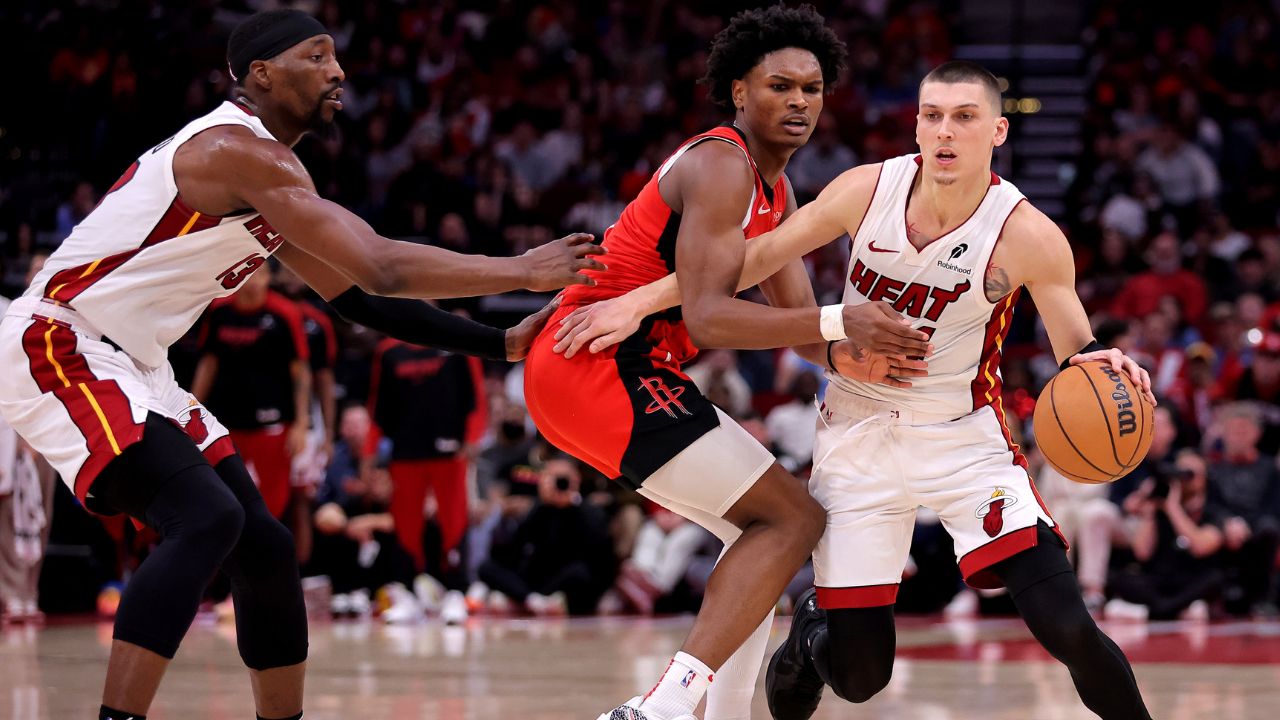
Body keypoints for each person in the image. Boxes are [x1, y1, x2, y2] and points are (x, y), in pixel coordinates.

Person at [0, 9, 602, 720]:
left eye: (336, 56)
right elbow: (379, 265)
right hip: (61, 341)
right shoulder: (237, 151)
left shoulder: (268, 176)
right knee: (204, 519)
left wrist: (496, 344)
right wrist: (522, 269)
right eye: (317, 56)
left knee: (266, 546)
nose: (339, 71)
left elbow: (361, 302)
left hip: (136, 366)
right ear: (261, 74)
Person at [556, 61, 1157, 720]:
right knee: (861, 678)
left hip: (962, 440)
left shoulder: (1028, 235)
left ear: (998, 131)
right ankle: (808, 636)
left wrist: (1108, 362)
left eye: (964, 117)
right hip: (856, 435)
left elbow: (1077, 344)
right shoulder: (866, 189)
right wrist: (637, 304)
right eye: (932, 116)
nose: (944, 133)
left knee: (1064, 623)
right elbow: (755, 258)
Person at [525, 7, 932, 720]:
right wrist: (839, 321)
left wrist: (857, 359)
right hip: (598, 363)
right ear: (740, 92)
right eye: (780, 85)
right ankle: (664, 706)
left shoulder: (777, 193)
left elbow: (800, 332)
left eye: (812, 88)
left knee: (761, 537)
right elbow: (712, 315)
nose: (799, 100)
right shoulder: (720, 163)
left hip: (616, 369)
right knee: (792, 519)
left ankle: (714, 713)